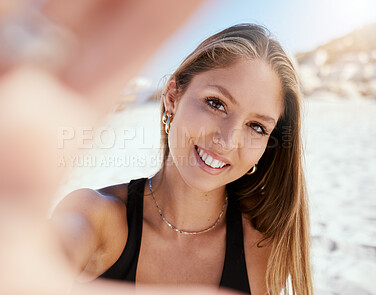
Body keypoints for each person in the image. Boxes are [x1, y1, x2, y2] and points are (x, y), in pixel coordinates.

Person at [52, 24, 313, 295]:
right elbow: (44, 258)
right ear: (173, 96)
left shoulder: (263, 251)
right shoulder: (94, 216)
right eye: (216, 103)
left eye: (256, 127)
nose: (227, 140)